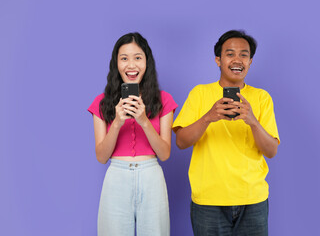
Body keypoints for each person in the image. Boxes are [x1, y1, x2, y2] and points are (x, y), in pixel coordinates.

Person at [173, 30, 280, 236]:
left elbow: (271, 151)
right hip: (208, 201)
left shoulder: (261, 98)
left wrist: (253, 122)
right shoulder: (200, 93)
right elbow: (181, 142)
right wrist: (208, 117)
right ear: (218, 60)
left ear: (250, 62)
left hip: (253, 199)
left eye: (244, 54)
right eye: (230, 54)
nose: (237, 59)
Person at [88, 32, 177, 236]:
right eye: (124, 58)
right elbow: (101, 157)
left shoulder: (163, 99)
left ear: (147, 62)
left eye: (138, 57)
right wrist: (118, 122)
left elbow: (164, 154)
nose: (131, 65)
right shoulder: (102, 102)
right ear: (116, 63)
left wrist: (144, 120)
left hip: (151, 175)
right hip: (117, 176)